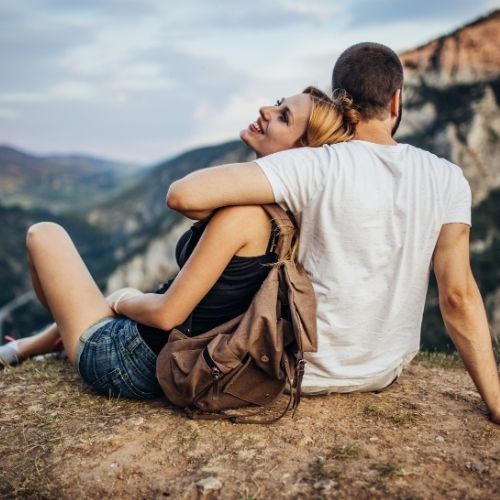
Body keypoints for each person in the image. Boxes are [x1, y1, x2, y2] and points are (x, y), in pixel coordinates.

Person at [165, 43, 500, 424]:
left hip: (299, 373)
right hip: (381, 373)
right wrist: (496, 401)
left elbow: (183, 195)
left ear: (340, 103)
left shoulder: (312, 165)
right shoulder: (447, 178)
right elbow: (458, 296)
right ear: (395, 102)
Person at [0, 87, 360, 400]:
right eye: (278, 103)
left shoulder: (245, 215)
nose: (266, 111)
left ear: (301, 151)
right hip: (164, 353)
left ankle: (44, 345)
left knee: (44, 234)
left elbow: (167, 313)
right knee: (116, 298)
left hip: (128, 364)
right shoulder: (282, 216)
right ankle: (22, 349)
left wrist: (124, 300)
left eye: (283, 117)